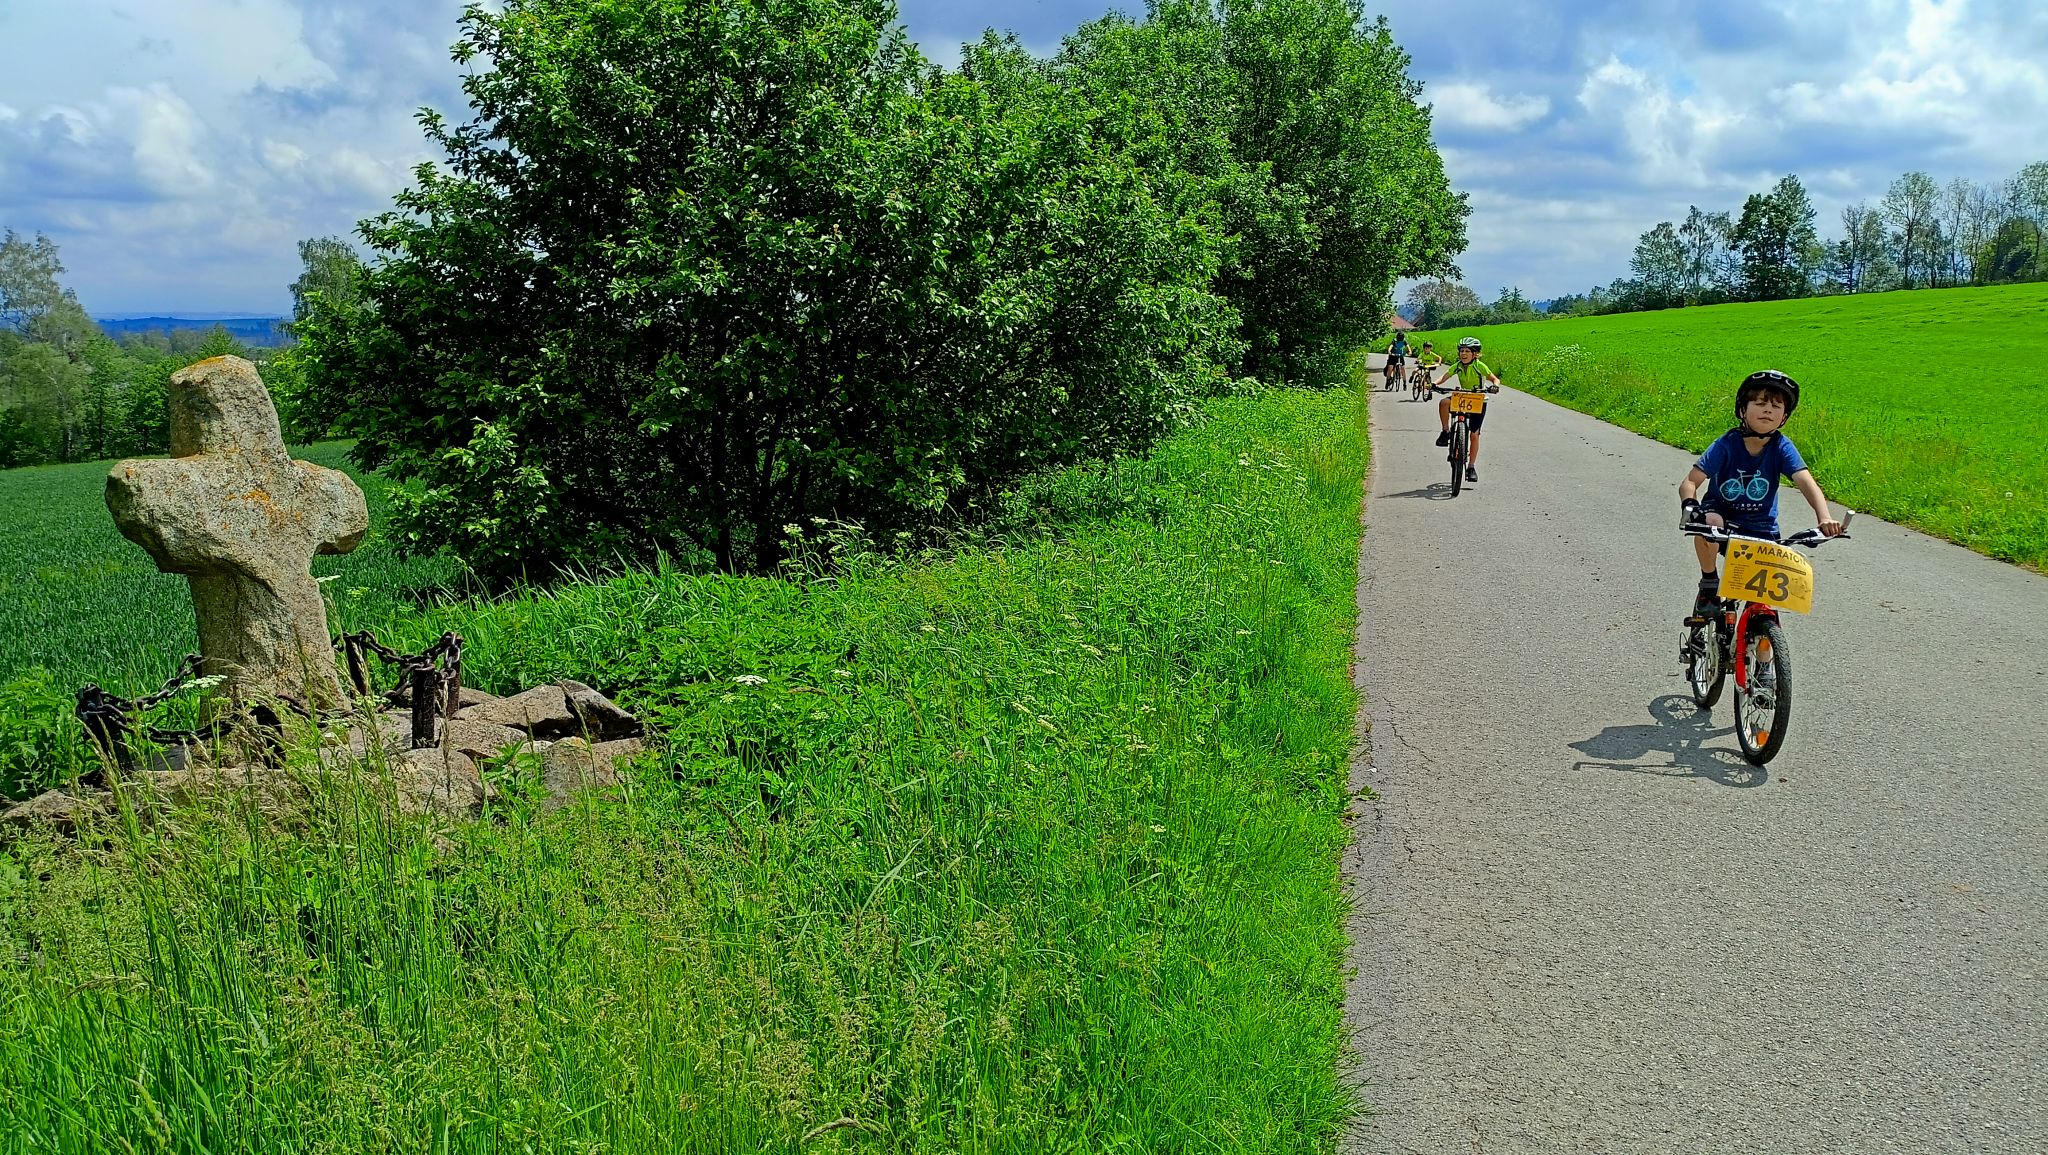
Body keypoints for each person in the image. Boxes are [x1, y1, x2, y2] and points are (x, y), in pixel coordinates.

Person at [1678, 370, 1845, 621]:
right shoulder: (1726, 444)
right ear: (1742, 410)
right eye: (1759, 403)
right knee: (1708, 522)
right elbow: (1690, 482)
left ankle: (1765, 642)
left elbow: (1806, 482)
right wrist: (1690, 505)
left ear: (1784, 417)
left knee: (1763, 607)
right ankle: (1709, 583)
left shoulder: (1782, 447)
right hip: (1721, 518)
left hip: (1761, 528)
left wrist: (1824, 518)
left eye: (1776, 406)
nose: (1768, 409)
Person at [1430, 336, 1500, 484]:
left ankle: (1471, 467)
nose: (1464, 354)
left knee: (1474, 435)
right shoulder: (1457, 366)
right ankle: (1446, 431)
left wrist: (1495, 386)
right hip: (1462, 396)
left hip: (1478, 400)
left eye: (1467, 351)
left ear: (1475, 354)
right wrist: (1434, 384)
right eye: (1462, 351)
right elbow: (1445, 376)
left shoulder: (1480, 366)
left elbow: (1494, 379)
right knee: (1444, 403)